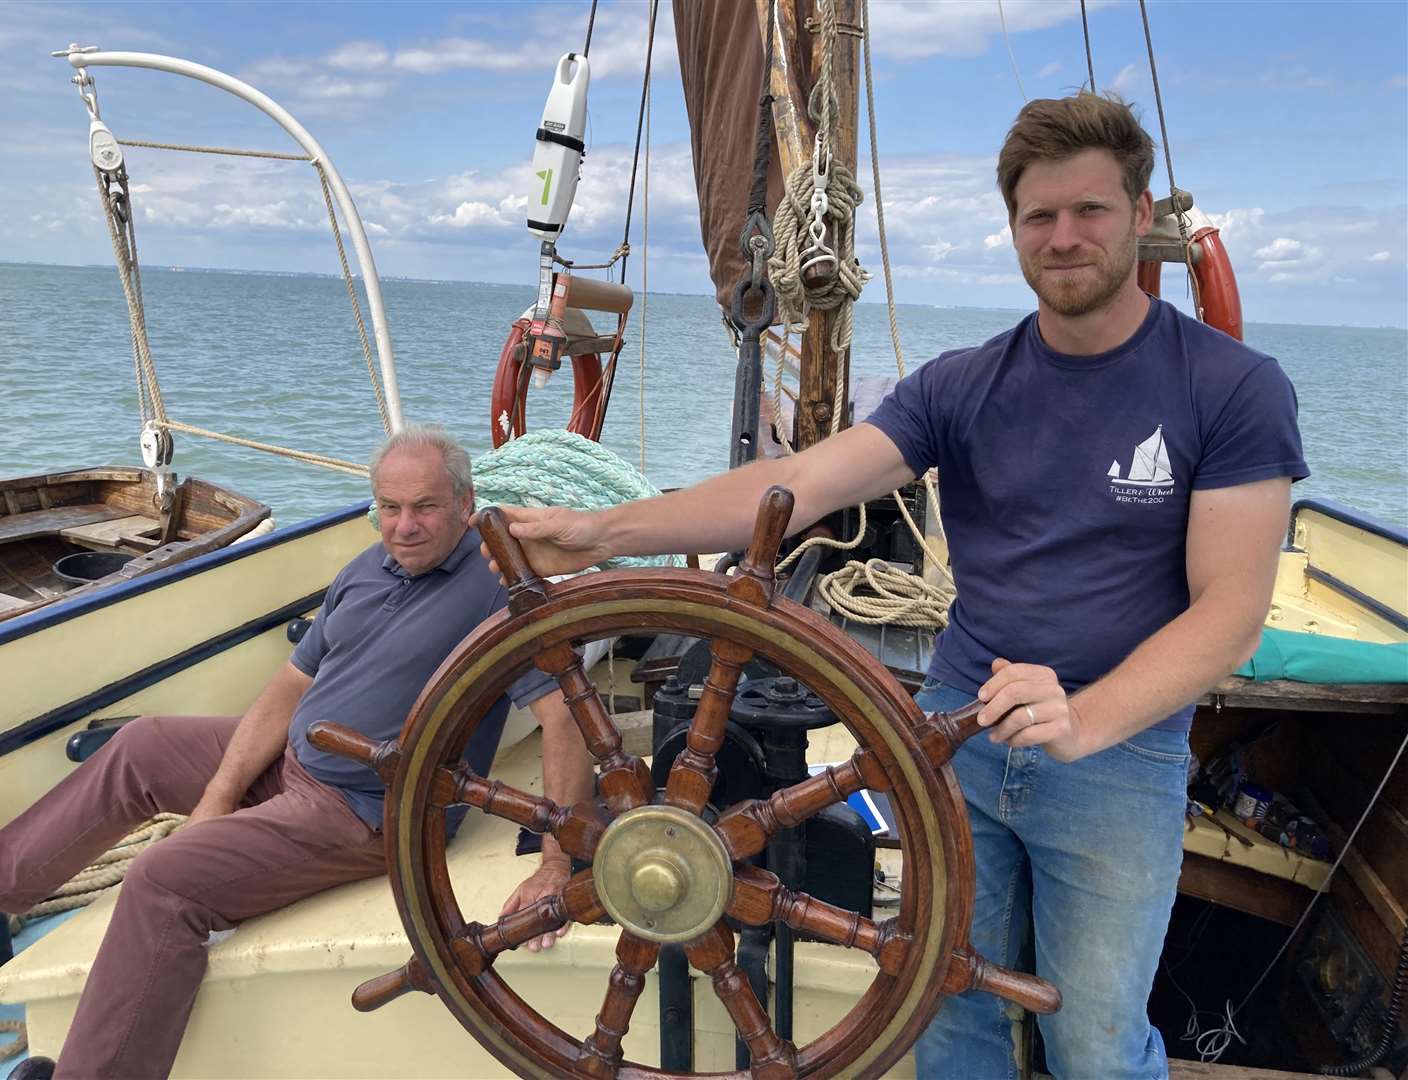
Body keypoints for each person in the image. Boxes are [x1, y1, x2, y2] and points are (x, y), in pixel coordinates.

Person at [478, 92, 1307, 1079]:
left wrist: (1086, 717)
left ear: (1138, 216)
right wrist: (597, 533)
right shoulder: (963, 386)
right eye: (1039, 217)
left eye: (1090, 210)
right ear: (1013, 231)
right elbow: (794, 487)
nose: (1064, 236)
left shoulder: (1231, 387)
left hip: (1117, 756)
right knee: (943, 1007)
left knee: (1091, 1039)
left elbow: (1230, 610)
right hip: (955, 731)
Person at [0, 423, 593, 1080]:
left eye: (426, 507)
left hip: (368, 812)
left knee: (163, 881)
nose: (404, 525)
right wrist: (218, 797)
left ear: (465, 506)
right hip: (296, 765)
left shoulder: (498, 588)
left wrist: (555, 863)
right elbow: (292, 684)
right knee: (141, 746)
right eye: (390, 506)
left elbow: (566, 719)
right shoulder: (366, 568)